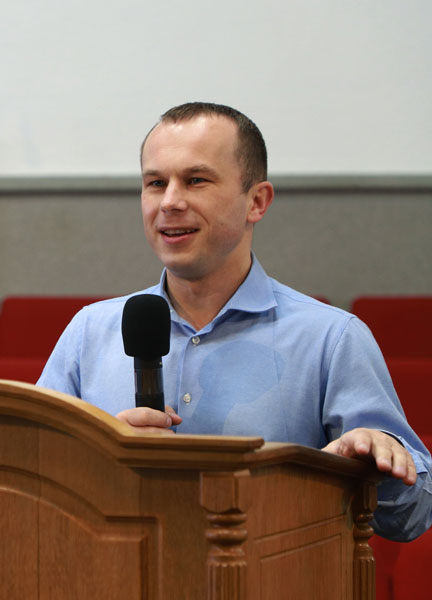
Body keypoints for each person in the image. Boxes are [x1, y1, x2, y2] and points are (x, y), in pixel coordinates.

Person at [38, 102, 432, 541]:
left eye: (196, 180)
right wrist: (100, 460)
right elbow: (27, 489)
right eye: (155, 183)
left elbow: (411, 519)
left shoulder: (331, 339)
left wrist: (376, 463)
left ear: (256, 201)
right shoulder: (89, 333)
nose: (170, 202)